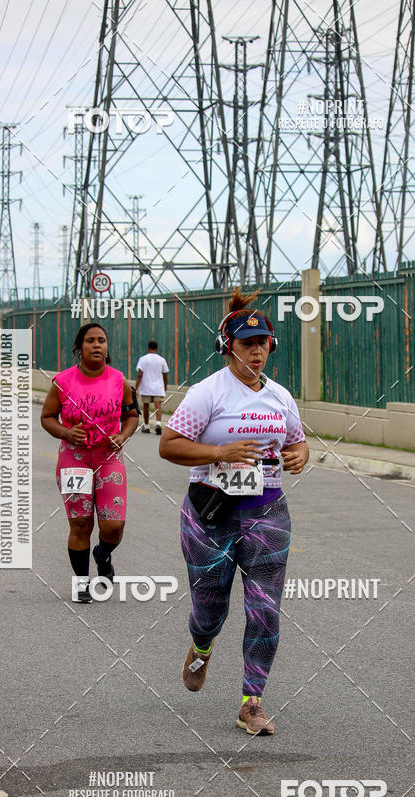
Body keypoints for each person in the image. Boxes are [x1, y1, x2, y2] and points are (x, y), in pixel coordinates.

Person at [159, 288, 309, 735]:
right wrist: (219, 451)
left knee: (265, 611)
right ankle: (201, 646)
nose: (257, 351)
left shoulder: (281, 397)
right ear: (229, 347)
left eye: (263, 342)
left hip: (266, 514)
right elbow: (169, 445)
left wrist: (301, 454)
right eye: (247, 344)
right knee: (210, 609)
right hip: (210, 515)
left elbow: (297, 441)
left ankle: (252, 701)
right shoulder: (207, 393)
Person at [41, 322, 139, 602]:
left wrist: (123, 435)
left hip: (108, 459)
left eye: (102, 341)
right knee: (81, 524)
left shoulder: (119, 380)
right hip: (75, 459)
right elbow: (47, 417)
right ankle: (81, 582)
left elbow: (132, 416)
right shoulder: (62, 381)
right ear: (80, 348)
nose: (97, 345)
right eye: (90, 340)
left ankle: (103, 555)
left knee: (113, 527)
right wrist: (66, 432)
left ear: (107, 349)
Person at [135, 340, 169, 434]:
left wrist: (136, 387)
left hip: (146, 387)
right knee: (158, 405)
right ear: (157, 348)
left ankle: (146, 426)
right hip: (158, 387)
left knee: (146, 406)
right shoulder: (162, 360)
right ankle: (158, 424)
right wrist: (165, 386)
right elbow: (165, 375)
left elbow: (140, 374)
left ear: (148, 348)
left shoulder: (143, 359)